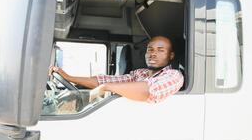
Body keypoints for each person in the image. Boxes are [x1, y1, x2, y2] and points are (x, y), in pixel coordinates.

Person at [49, 36, 184, 103]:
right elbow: (106, 79)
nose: (153, 54)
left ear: (170, 55)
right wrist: (69, 77)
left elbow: (149, 91)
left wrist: (106, 87)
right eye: (150, 50)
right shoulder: (140, 73)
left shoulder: (174, 76)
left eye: (160, 50)